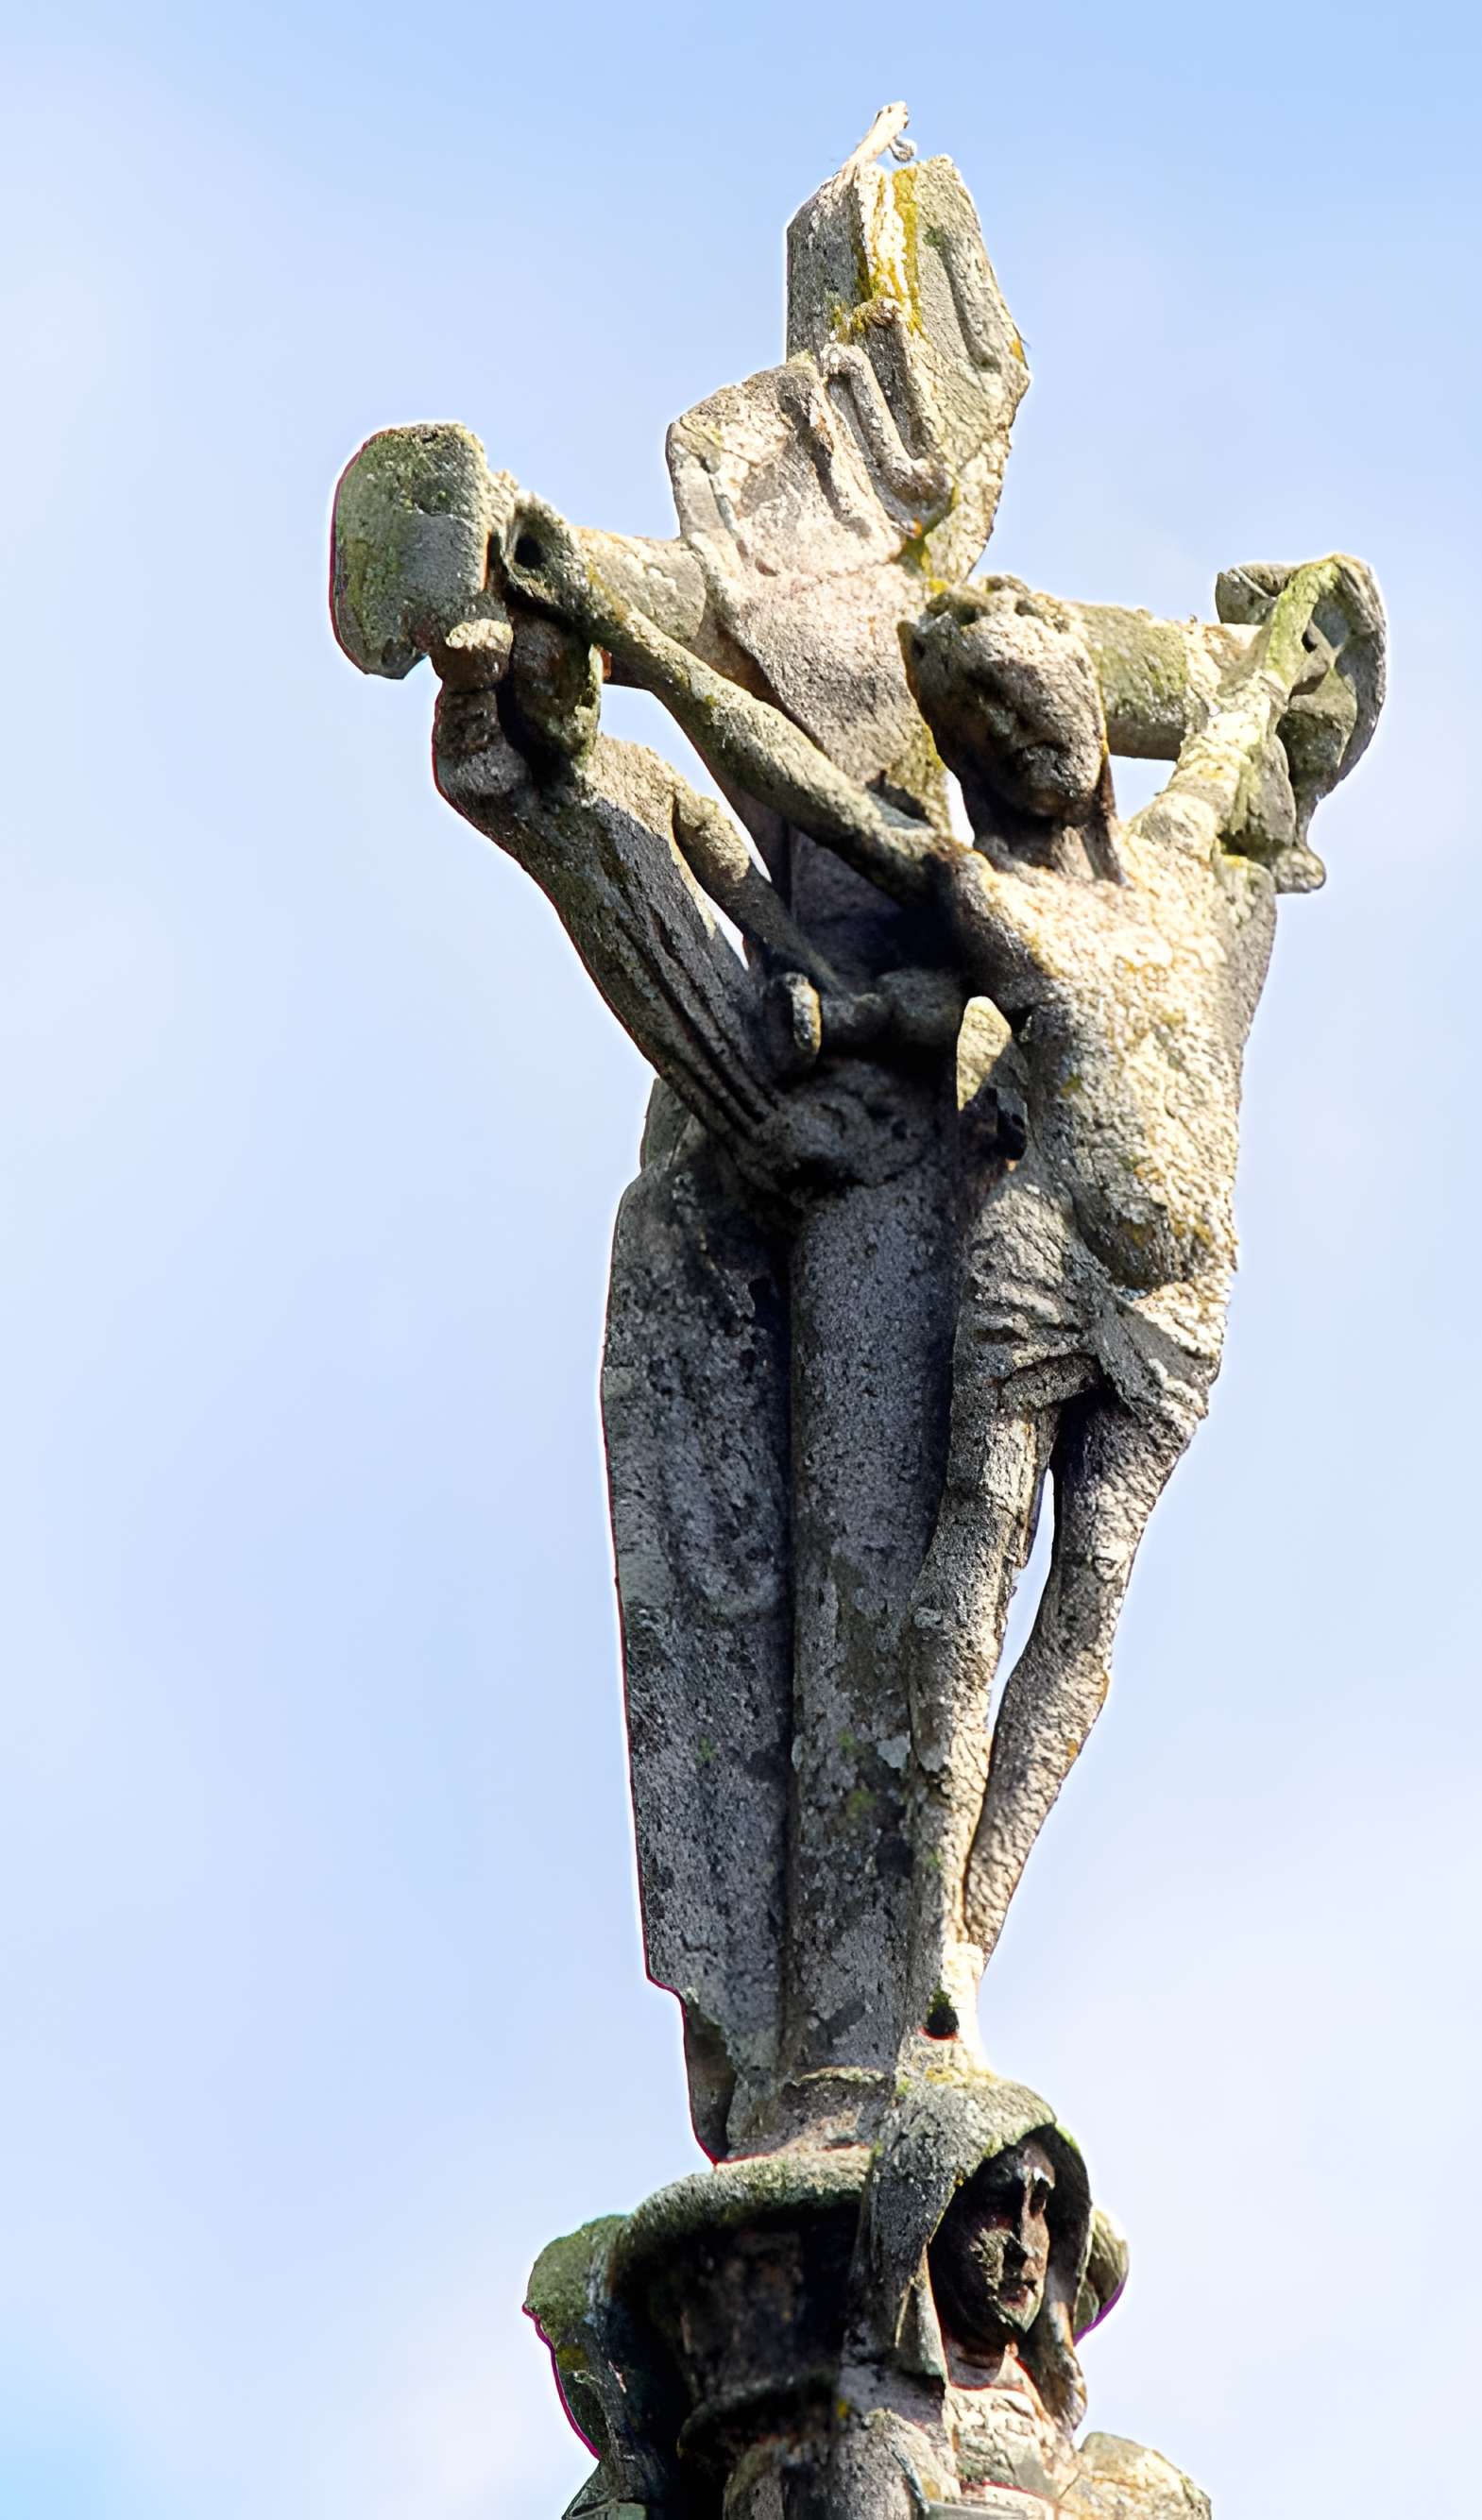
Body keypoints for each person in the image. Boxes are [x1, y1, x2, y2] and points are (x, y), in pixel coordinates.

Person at [499, 505, 1381, 2035]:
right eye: (987, 733)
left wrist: (1305, 624)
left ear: (1093, 716)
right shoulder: (986, 896)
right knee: (972, 1568)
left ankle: (978, 1906)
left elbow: (1252, 705)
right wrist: (628, 633)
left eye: (1039, 708)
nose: (1028, 745)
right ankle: (927, 1951)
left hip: (1178, 1299)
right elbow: (801, 790)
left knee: (1089, 1607)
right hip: (1044, 1258)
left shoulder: (1184, 853)